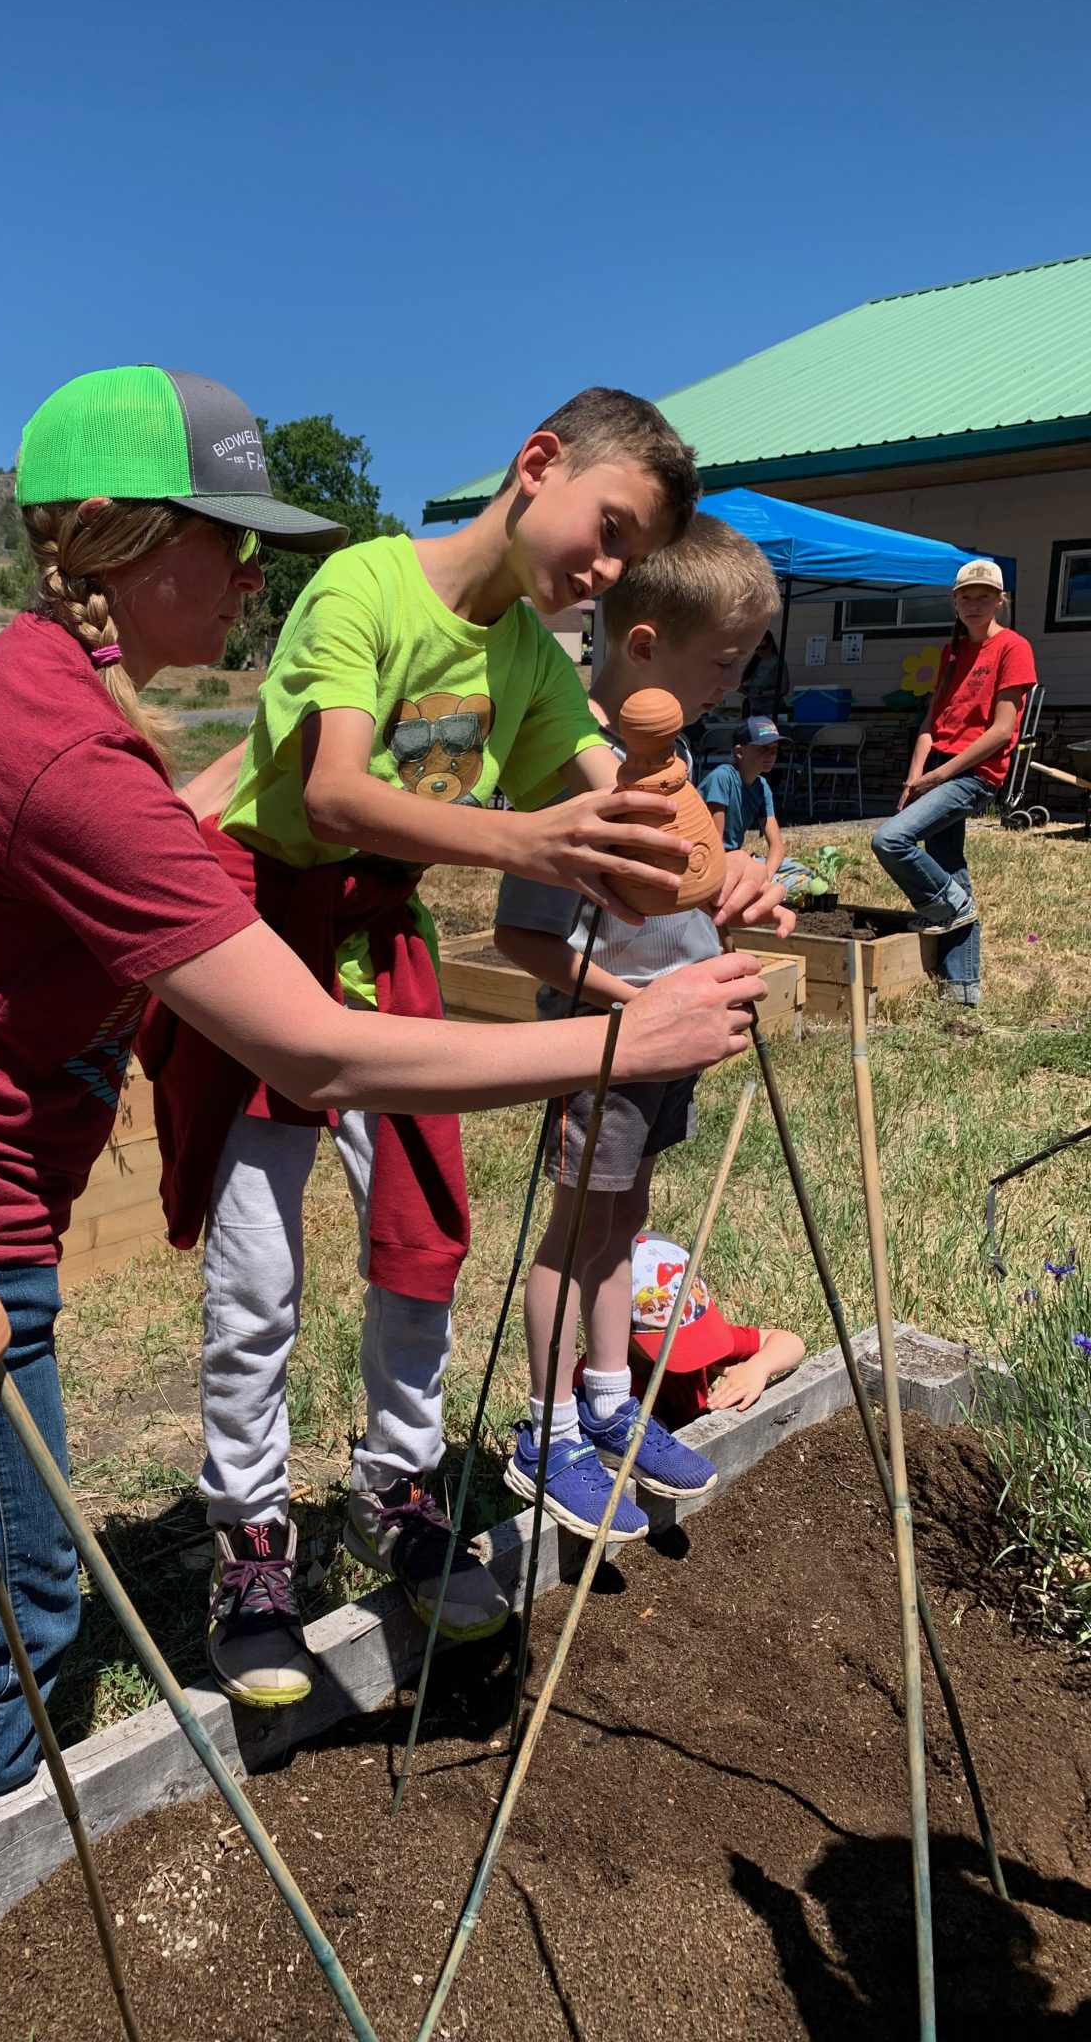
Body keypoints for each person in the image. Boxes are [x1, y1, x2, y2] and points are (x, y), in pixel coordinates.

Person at [0, 365, 772, 1827]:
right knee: (13, 1612)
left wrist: (712, 865)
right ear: (115, 536)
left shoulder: (54, 699)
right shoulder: (71, 750)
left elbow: (238, 800)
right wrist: (624, 1040)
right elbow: (314, 1048)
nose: (253, 570)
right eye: (224, 535)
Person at [145, 388, 788, 1710]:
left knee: (424, 1232)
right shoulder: (362, 591)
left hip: (378, 939)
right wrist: (526, 841)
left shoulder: (532, 663)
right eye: (606, 527)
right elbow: (330, 792)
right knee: (261, 1263)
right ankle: (251, 1550)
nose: (605, 569)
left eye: (632, 551)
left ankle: (404, 1492)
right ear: (537, 464)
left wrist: (712, 877)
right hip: (266, 924)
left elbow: (616, 795)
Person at [494, 518, 790, 1540]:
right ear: (649, 646)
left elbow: (682, 897)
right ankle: (545, 1426)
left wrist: (734, 905)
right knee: (573, 1232)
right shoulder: (567, 769)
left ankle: (612, 1398)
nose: (731, 682)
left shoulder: (673, 753)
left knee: (626, 1222)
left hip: (676, 1033)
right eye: (722, 662)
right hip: (607, 1044)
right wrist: (635, 1011)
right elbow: (522, 936)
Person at [871, 558, 1036, 1006]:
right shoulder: (952, 651)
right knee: (950, 867)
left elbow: (1003, 730)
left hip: (974, 774)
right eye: (966, 596)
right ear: (955, 601)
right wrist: (914, 776)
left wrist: (941, 775)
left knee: (890, 840)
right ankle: (962, 988)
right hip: (939, 767)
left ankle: (951, 907)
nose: (974, 604)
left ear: (1001, 600)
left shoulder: (1013, 648)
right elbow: (931, 721)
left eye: (984, 596)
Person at [623, 1232, 806, 1429]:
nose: (692, 1351)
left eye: (692, 1336)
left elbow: (790, 1342)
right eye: (677, 1344)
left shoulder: (701, 1346)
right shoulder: (599, 1387)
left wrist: (758, 1367)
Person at [699, 715, 827, 902]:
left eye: (774, 749)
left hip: (740, 859)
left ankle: (755, 890)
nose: (771, 754)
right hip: (716, 863)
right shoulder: (722, 778)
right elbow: (714, 844)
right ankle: (751, 892)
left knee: (808, 870)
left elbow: (777, 846)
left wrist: (763, 877)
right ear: (739, 751)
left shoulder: (762, 786)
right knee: (806, 885)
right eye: (762, 748)